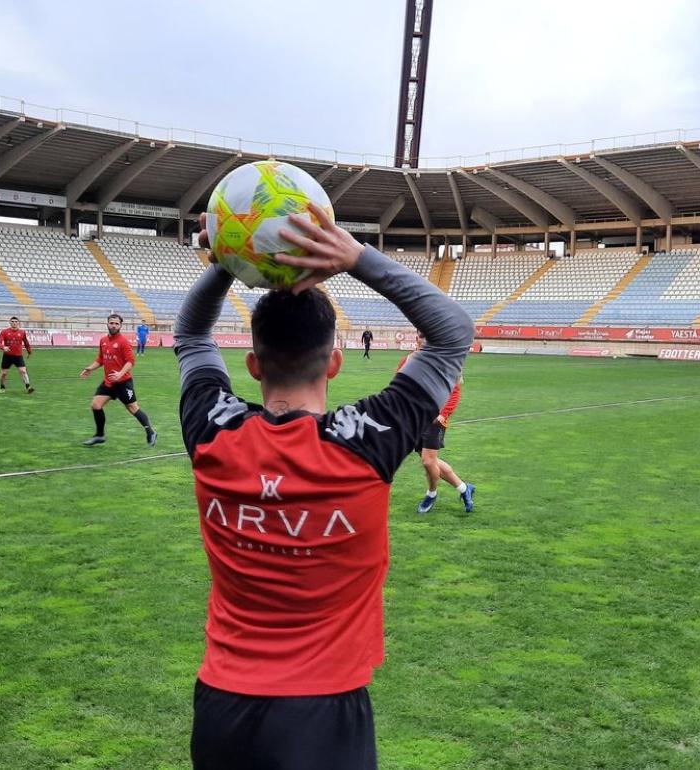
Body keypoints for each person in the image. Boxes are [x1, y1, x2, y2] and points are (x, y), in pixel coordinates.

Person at [175, 203, 472, 770]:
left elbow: (190, 333)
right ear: (334, 362)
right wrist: (354, 257)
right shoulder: (368, 442)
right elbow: (453, 333)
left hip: (221, 706)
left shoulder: (213, 432)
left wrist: (227, 259)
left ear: (253, 365)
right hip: (322, 711)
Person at [400, 334, 475, 514]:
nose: (421, 340)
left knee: (428, 461)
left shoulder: (445, 361)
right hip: (416, 418)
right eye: (419, 336)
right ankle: (464, 488)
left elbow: (455, 391)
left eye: (426, 337)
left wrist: (443, 414)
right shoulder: (410, 359)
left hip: (435, 420)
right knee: (431, 462)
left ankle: (431, 494)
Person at [79, 314, 157, 447]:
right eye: (111, 323)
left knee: (133, 408)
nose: (113, 325)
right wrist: (90, 368)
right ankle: (100, 435)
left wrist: (120, 374)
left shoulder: (123, 342)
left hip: (123, 383)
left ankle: (150, 432)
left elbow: (131, 362)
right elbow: (101, 359)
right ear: (107, 324)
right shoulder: (103, 340)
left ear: (120, 325)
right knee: (96, 405)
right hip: (109, 382)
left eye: (116, 323)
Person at [0, 316, 35, 394]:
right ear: (10, 322)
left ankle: (28, 386)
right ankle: (2, 386)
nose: (14, 323)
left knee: (23, 371)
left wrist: (29, 352)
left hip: (18, 356)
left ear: (18, 323)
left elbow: (26, 343)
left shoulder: (22, 332)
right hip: (7, 356)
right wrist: (3, 347)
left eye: (16, 321)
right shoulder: (4, 332)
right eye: (12, 321)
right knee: (4, 373)